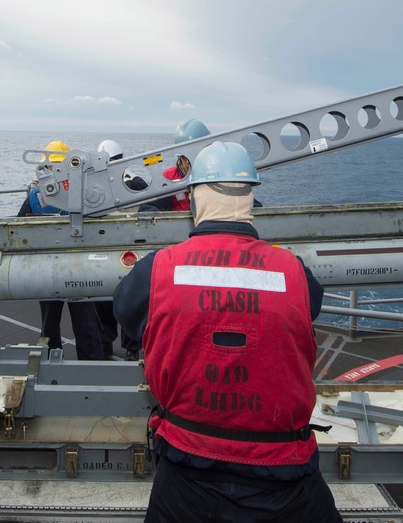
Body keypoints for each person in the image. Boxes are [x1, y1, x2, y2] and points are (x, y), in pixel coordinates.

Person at [113, 142, 342, 522]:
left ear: (192, 199)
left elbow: (127, 312)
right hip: (283, 476)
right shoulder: (293, 272)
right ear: (252, 198)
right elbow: (309, 308)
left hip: (187, 472)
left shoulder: (158, 270)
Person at [18, 140, 103, 360]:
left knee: (63, 323)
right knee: (77, 323)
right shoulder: (83, 194)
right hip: (74, 267)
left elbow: (20, 230)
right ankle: (92, 364)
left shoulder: (35, 197)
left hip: (56, 267)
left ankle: (52, 362)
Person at [95, 139, 144, 360]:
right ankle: (132, 348)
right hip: (131, 250)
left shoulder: (94, 187)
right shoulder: (138, 182)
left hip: (105, 250)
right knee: (130, 299)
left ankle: (105, 343)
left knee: (104, 299)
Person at [144, 118, 211, 213]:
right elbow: (149, 208)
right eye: (191, 153)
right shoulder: (168, 178)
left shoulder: (221, 173)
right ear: (181, 156)